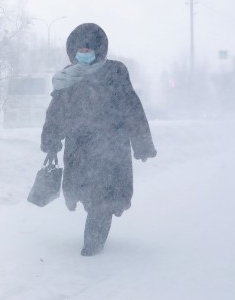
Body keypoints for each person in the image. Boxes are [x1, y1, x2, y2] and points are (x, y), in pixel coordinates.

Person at [41, 23, 157, 256]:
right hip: (79, 148)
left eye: (88, 50)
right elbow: (57, 112)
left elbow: (132, 107)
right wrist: (51, 142)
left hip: (110, 147)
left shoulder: (115, 72)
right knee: (84, 192)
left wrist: (142, 144)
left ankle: (93, 242)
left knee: (104, 197)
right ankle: (94, 229)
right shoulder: (67, 78)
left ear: (99, 50)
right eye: (80, 51)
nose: (84, 55)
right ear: (72, 51)